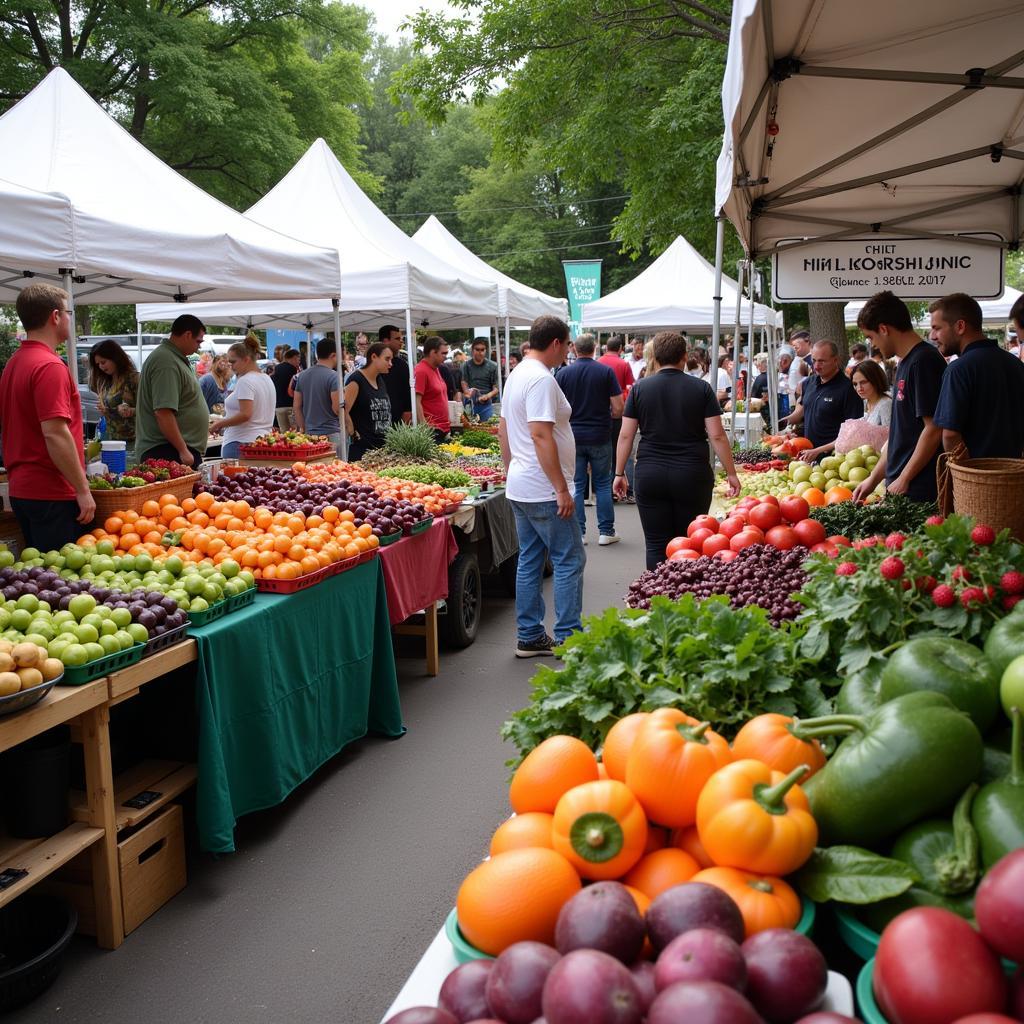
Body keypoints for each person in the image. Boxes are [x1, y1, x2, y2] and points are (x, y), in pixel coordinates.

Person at [613, 332, 740, 571]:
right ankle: (686, 596)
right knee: (691, 541)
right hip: (692, 473)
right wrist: (731, 473)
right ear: (684, 357)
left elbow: (626, 435)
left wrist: (619, 473)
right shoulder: (701, 389)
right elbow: (717, 435)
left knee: (655, 543)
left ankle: (656, 598)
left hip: (650, 473)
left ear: (656, 357)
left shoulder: (640, 389)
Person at [499, 315, 584, 657]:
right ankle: (568, 636)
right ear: (556, 344)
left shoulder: (518, 374)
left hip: (524, 483)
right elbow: (539, 433)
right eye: (566, 347)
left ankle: (530, 634)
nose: (566, 354)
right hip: (542, 487)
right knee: (569, 560)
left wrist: (511, 470)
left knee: (531, 559)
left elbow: (504, 429)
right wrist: (561, 488)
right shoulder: (540, 379)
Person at [0, 283, 94, 548]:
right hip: (50, 492)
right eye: (68, 313)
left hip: (22, 489)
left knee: (40, 579)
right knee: (60, 580)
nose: (69, 319)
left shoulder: (14, 363)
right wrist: (82, 489)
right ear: (55, 316)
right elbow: (54, 432)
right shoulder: (50, 366)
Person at [852, 291, 947, 502]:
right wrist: (873, 479)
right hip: (901, 486)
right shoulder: (905, 362)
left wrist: (904, 478)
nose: (872, 345)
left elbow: (933, 429)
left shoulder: (923, 362)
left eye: (871, 337)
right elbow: (899, 435)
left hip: (919, 489)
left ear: (884, 329)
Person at [930, 293, 1024, 459]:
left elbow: (950, 435)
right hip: (1014, 477)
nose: (932, 336)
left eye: (937, 328)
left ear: (960, 326)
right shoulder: (1016, 364)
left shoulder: (958, 370)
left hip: (975, 479)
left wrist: (965, 472)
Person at [555, 333, 624, 546]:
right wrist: (607, 415)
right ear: (595, 348)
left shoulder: (563, 373)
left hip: (573, 436)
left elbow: (556, 408)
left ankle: (579, 533)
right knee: (603, 483)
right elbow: (619, 407)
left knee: (577, 483)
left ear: (574, 348)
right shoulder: (605, 372)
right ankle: (606, 531)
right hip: (600, 434)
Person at [136, 313, 209, 467]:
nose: (199, 346)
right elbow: (163, 412)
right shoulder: (166, 361)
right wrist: (183, 450)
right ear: (187, 335)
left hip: (174, 450)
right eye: (198, 341)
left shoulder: (173, 358)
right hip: (167, 451)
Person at [784, 340, 863, 462]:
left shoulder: (848, 389)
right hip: (806, 456)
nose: (816, 366)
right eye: (814, 360)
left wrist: (819, 450)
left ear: (835, 360)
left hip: (834, 460)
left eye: (821, 361)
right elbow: (800, 412)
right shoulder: (809, 383)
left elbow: (853, 433)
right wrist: (781, 425)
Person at [209, 336, 277, 458]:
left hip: (240, 443)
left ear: (246, 360)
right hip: (262, 442)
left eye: (233, 361)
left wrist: (219, 424)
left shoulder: (245, 381)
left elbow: (246, 414)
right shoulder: (266, 378)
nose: (230, 365)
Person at [89, 339, 139, 463]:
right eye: (98, 364)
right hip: (111, 439)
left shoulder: (134, 378)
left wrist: (131, 411)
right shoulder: (106, 382)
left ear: (115, 357)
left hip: (133, 442)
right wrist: (104, 410)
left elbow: (149, 409)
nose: (101, 367)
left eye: (103, 362)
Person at [344, 342, 393, 460]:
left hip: (382, 450)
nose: (390, 364)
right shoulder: (356, 380)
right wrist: (353, 432)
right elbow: (342, 410)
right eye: (387, 359)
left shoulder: (380, 379)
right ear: (374, 357)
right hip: (362, 452)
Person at [293, 338, 342, 448]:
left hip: (310, 434)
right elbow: (337, 408)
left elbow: (296, 406)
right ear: (333, 355)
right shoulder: (334, 376)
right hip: (331, 433)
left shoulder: (302, 375)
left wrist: (303, 428)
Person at [415, 336, 452, 441]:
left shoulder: (436, 368)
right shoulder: (421, 371)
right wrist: (424, 427)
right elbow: (416, 401)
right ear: (432, 353)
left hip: (443, 429)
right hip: (432, 431)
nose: (446, 356)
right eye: (443, 353)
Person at [461, 337, 500, 421]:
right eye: (477, 349)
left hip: (486, 404)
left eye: (482, 350)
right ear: (472, 350)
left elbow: (496, 388)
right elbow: (464, 382)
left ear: (486, 351)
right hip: (470, 403)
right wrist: (468, 393)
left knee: (487, 429)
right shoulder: (466, 365)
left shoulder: (493, 366)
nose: (480, 352)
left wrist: (487, 396)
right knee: (469, 430)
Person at [379, 324, 412, 425]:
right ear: (385, 341)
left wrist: (407, 412)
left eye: (401, 338)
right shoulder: (374, 365)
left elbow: (407, 392)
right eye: (397, 338)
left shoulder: (402, 365)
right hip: (378, 419)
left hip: (398, 420)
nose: (401, 341)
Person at [852, 359, 892, 427]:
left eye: (863, 382)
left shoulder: (885, 404)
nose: (859, 388)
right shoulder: (866, 401)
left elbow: (889, 434)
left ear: (875, 380)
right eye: (855, 384)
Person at [271, 349, 301, 430]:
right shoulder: (293, 370)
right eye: (298, 359)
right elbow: (294, 389)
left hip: (279, 407)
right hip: (291, 406)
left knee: (284, 433)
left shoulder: (276, 368)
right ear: (294, 358)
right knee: (296, 433)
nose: (299, 362)